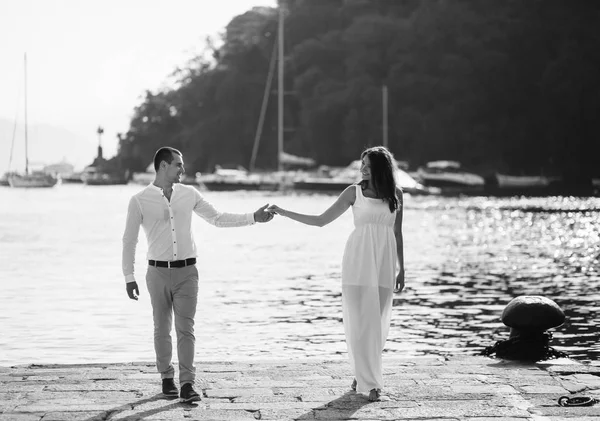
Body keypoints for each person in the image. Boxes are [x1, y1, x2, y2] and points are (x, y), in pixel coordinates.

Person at [122, 146, 274, 403]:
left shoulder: (189, 194)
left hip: (187, 273)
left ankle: (187, 384)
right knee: (161, 328)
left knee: (186, 329)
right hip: (157, 272)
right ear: (163, 166)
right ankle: (167, 378)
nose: (183, 169)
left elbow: (217, 218)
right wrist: (129, 276)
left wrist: (253, 218)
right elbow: (129, 240)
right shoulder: (139, 200)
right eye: (178, 164)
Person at [267, 146, 404, 402]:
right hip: (358, 261)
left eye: (367, 165)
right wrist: (284, 212)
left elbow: (397, 233)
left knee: (378, 325)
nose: (362, 169)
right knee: (359, 323)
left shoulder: (395, 195)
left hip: (384, 264)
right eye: (361, 164)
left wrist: (402, 268)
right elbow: (321, 220)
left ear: (380, 168)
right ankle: (371, 383)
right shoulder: (354, 192)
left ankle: (361, 373)